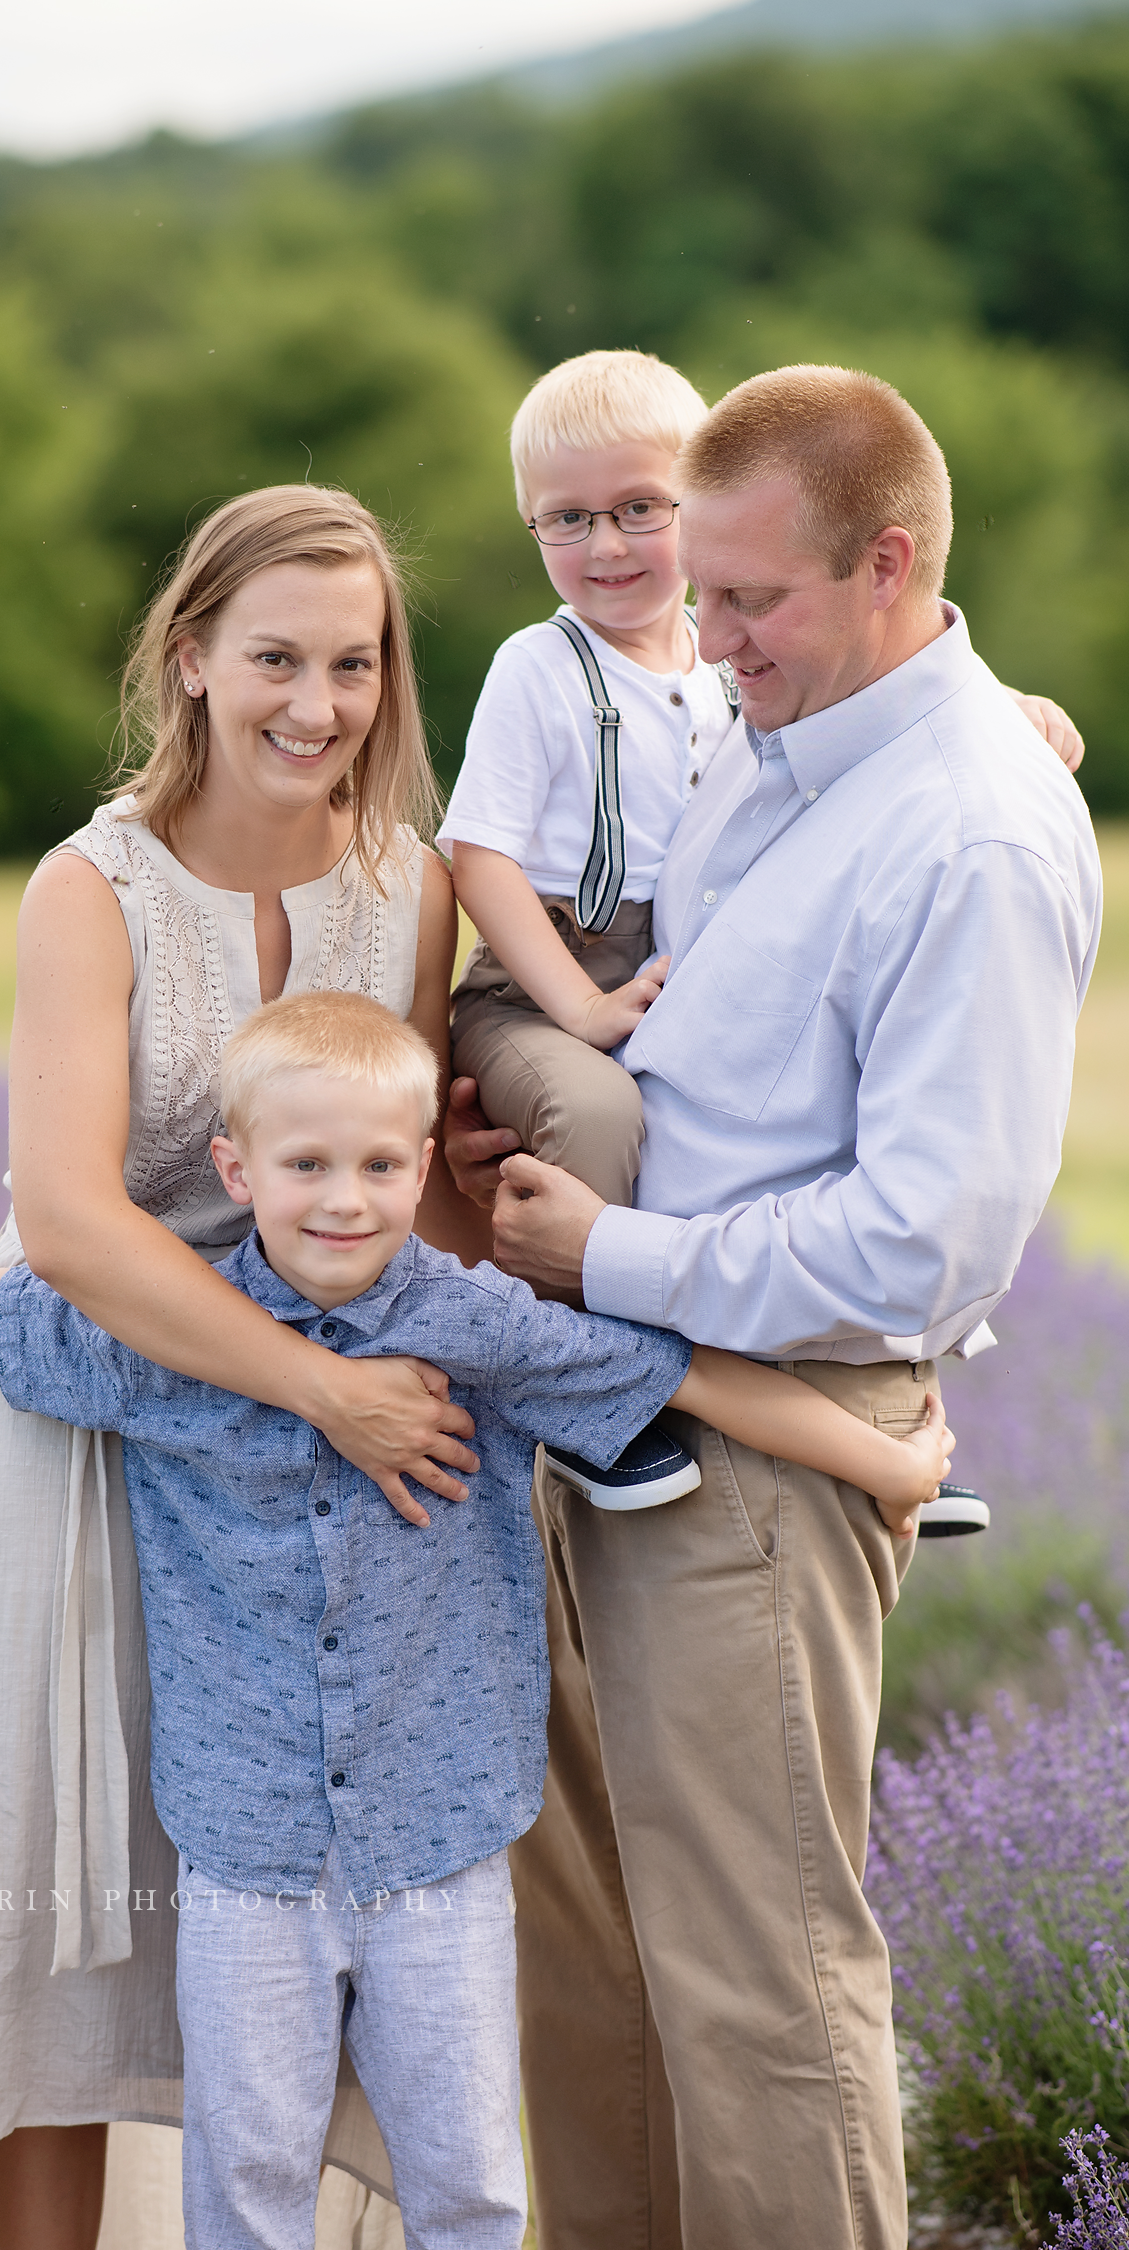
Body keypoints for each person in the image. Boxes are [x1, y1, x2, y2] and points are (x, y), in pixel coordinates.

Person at [0, 989, 960, 2250]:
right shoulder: (166, 1332)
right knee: (247, 2186)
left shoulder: (473, 1323)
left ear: (421, 1169)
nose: (345, 1199)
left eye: (381, 1166)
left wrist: (882, 1464)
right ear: (237, 1168)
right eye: (307, 1166)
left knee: (466, 2187)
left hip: (440, 1843)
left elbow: (679, 1377)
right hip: (244, 1854)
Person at [446, 364, 1103, 2250]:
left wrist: (609, 1257)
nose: (701, 638)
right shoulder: (778, 735)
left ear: (890, 564)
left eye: (750, 602)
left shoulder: (969, 836)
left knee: (761, 1991)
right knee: (589, 1971)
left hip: (757, 1458)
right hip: (604, 1402)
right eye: (697, 591)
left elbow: (924, 1243)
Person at [0, 484, 489, 2250]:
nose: (317, 705)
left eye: (356, 665)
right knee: (52, 1912)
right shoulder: (91, 890)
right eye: (278, 660)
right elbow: (68, 1224)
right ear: (192, 658)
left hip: (295, 1465)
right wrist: (320, 1390)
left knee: (276, 1910)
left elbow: (424, 1206)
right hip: (68, 1424)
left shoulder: (415, 890)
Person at [440, 348, 1084, 1219]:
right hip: (550, 975)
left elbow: (896, 667)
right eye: (566, 519)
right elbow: (477, 856)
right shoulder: (547, 667)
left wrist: (991, 700)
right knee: (593, 1116)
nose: (607, 545)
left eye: (639, 509)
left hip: (651, 1018)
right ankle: (567, 1347)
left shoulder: (959, 822)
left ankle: (595, 1323)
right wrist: (581, 1011)